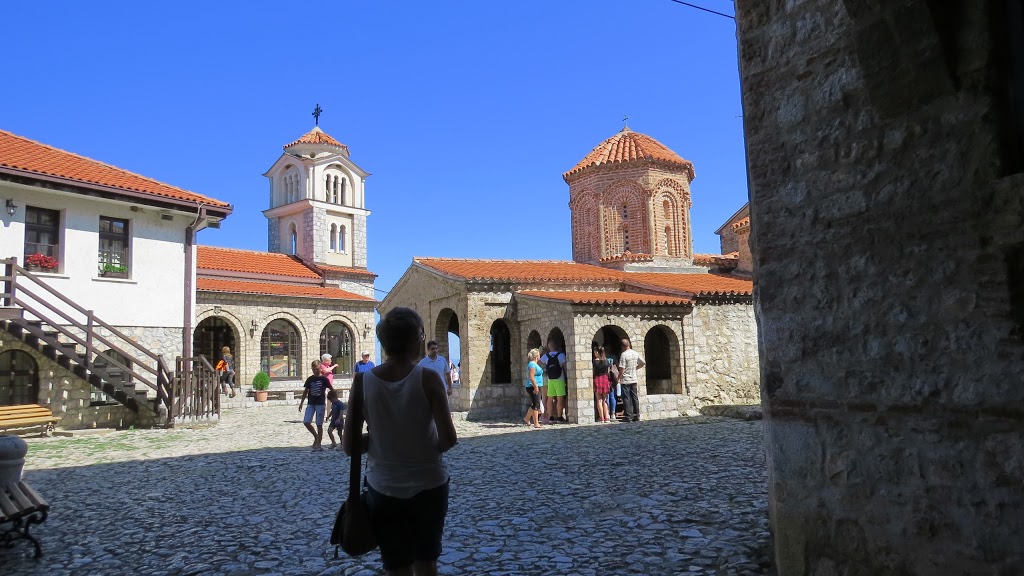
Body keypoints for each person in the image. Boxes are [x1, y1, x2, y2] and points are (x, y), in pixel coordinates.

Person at [344, 307, 457, 576]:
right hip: (429, 484)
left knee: (396, 567)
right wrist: (417, 441)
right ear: (417, 339)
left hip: (384, 488)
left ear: (384, 342)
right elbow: (448, 438)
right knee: (426, 563)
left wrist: (385, 437)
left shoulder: (363, 381)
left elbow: (350, 446)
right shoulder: (428, 378)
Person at [298, 360, 333, 451]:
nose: (315, 371)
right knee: (306, 422)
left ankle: (319, 443)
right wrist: (301, 402)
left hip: (320, 403)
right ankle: (316, 436)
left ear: (320, 368)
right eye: (313, 369)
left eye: (317, 369)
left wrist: (334, 400)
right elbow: (306, 391)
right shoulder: (310, 379)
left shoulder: (324, 379)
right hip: (311, 403)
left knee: (319, 424)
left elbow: (331, 389)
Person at [618, 339, 646, 422]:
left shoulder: (624, 355)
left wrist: (618, 377)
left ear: (622, 346)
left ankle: (628, 416)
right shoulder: (635, 353)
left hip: (626, 379)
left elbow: (622, 368)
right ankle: (636, 415)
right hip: (634, 378)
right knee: (635, 397)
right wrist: (635, 368)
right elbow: (643, 362)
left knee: (626, 398)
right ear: (629, 344)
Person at [542, 340, 567, 423]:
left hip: (550, 379)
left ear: (549, 347)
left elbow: (538, 362)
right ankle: (559, 417)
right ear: (556, 346)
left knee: (550, 398)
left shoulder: (546, 356)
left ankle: (550, 417)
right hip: (559, 379)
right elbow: (565, 367)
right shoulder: (561, 355)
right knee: (560, 398)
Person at [522, 349, 544, 429]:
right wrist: (536, 387)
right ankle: (536, 423)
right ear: (537, 356)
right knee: (536, 404)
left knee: (535, 403)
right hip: (532, 386)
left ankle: (526, 419)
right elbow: (531, 377)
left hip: (534, 386)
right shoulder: (532, 365)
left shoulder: (534, 364)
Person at [592, 347, 612, 423]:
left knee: (599, 400)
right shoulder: (607, 361)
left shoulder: (595, 362)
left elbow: (593, 372)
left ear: (597, 352)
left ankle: (601, 417)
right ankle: (607, 417)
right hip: (605, 379)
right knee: (605, 400)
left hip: (597, 379)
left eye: (595, 352)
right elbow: (608, 371)